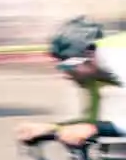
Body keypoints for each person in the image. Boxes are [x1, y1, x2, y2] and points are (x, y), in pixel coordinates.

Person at [16, 16, 126, 147]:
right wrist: (53, 128)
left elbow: (93, 128)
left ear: (90, 54)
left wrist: (95, 129)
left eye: (69, 66)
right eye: (61, 67)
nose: (67, 75)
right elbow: (90, 123)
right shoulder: (92, 74)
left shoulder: (119, 58)